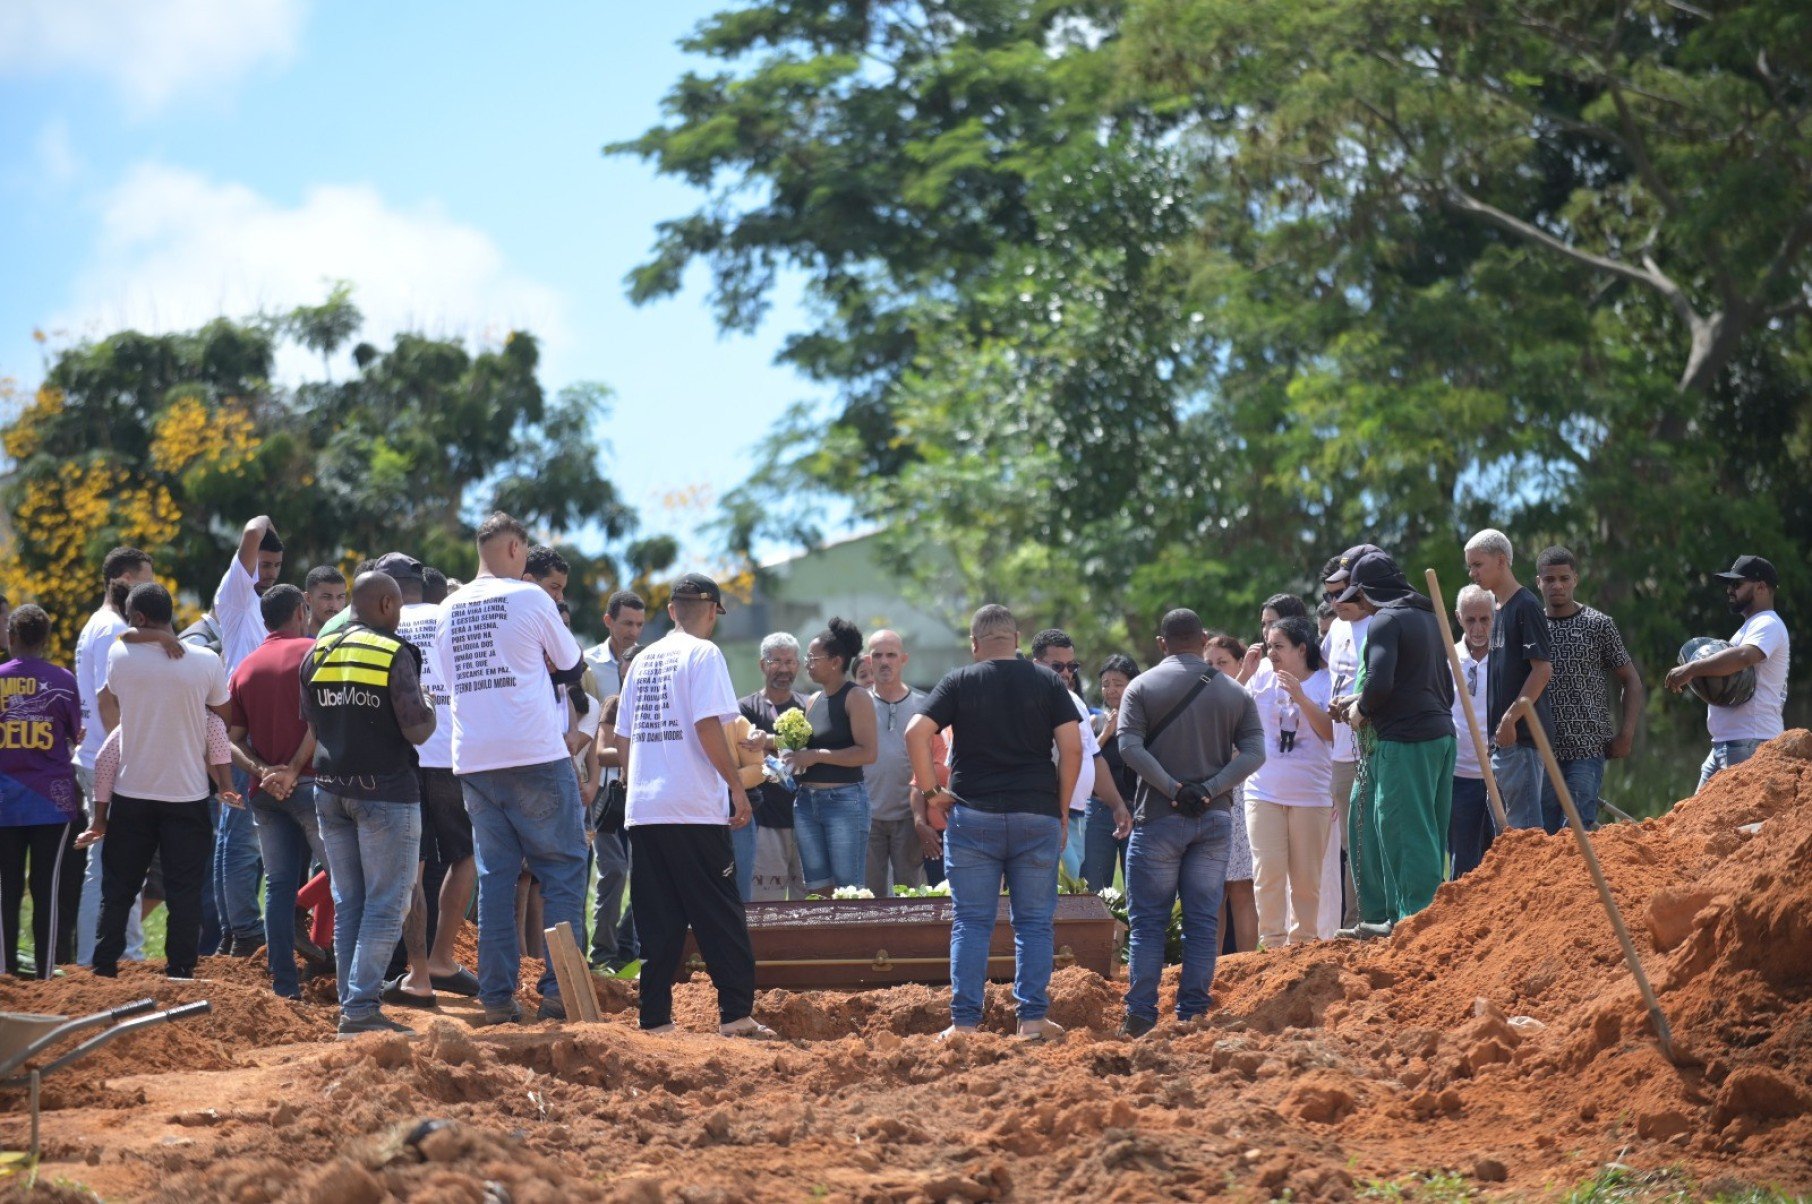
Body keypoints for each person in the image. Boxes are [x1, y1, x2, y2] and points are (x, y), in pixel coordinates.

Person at [434, 513, 589, 1025]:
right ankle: (559, 992)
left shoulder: (448, 607)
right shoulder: (530, 598)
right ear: (516, 550)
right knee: (563, 870)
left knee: (495, 879)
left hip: (475, 757)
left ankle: (497, 997)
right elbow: (571, 664)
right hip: (534, 752)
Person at [905, 604, 1081, 1042]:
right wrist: (1060, 810)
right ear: (1017, 640)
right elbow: (1072, 748)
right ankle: (1033, 1020)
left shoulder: (960, 680)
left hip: (974, 817)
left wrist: (931, 794)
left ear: (974, 644)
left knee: (971, 922)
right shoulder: (1046, 680)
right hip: (1035, 814)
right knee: (1035, 924)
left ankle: (964, 1024)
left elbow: (914, 732)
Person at [612, 573, 772, 1038]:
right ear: (712, 612)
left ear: (670, 611)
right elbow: (707, 726)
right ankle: (736, 1015)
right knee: (719, 913)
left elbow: (623, 737)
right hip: (691, 807)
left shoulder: (641, 660)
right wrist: (735, 788)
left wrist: (638, 784)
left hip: (645, 808)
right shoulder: (704, 654)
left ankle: (656, 1018)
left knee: (656, 918)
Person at [1115, 608, 1264, 1037]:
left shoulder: (1141, 686)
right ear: (1203, 639)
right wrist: (1210, 787)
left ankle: (1141, 1014)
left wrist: (1171, 787)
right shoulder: (1235, 694)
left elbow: (1128, 746)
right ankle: (1192, 1012)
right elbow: (1255, 753)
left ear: (1162, 643)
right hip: (1213, 818)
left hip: (1159, 817)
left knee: (1148, 924)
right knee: (1203, 920)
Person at [301, 571, 436, 1037]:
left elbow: (313, 721)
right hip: (384, 794)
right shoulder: (392, 652)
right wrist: (431, 707)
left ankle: (352, 1003)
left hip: (330, 789)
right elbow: (417, 728)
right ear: (384, 606)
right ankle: (360, 1009)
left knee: (350, 901)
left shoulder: (317, 651)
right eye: (397, 608)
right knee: (387, 903)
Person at [88, 583, 236, 979]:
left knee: (119, 888)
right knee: (184, 889)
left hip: (132, 792)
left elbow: (115, 686)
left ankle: (104, 967)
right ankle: (181, 969)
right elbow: (221, 712)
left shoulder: (120, 656)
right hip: (186, 794)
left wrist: (148, 638)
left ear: (137, 618)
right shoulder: (206, 660)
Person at [1331, 553, 1456, 937]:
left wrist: (1362, 709)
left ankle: (1414, 924)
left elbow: (1382, 683)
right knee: (1426, 830)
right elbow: (1441, 690)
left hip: (1405, 742)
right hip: (1440, 737)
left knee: (1405, 831)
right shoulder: (1430, 618)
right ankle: (1402, 919)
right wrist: (1360, 701)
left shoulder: (1386, 620)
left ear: (1368, 592)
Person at [226, 584, 323, 999]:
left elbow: (231, 741)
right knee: (346, 877)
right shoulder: (315, 653)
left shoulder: (245, 667)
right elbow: (321, 724)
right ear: (301, 612)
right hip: (312, 785)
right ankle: (355, 982)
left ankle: (285, 985)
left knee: (280, 887)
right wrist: (294, 770)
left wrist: (265, 771)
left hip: (265, 793)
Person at [392, 557, 478, 997]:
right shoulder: (449, 615)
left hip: (402, 754)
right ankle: (443, 957)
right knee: (463, 856)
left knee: (412, 864)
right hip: (450, 755)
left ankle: (419, 972)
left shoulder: (380, 620)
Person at [73, 546, 155, 967]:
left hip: (95, 756)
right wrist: (126, 755)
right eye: (145, 578)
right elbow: (110, 701)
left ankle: (104, 955)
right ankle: (116, 957)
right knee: (113, 867)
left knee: (104, 866)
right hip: (108, 759)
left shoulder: (97, 624)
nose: (150, 588)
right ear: (123, 579)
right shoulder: (113, 629)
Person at [212, 514, 285, 958]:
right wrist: (266, 528)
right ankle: (243, 930)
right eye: (263, 565)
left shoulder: (264, 611)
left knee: (234, 836)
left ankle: (233, 931)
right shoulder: (237, 596)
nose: (269, 574)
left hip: (253, 734)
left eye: (276, 566)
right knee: (239, 840)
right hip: (240, 735)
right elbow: (253, 529)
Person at [0, 605, 84, 976]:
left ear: (11, 637)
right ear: (46, 639)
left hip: (4, 800)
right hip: (52, 800)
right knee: (46, 888)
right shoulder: (63, 679)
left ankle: (4, 973)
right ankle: (47, 972)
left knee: (7, 888)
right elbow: (73, 734)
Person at [1242, 617, 1336, 948]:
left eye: (1278, 646)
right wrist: (1245, 674)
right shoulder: (1262, 675)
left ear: (1301, 648)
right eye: (1269, 645)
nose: (1272, 652)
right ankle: (1271, 945)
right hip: (1263, 791)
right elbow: (1232, 713)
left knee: (1306, 882)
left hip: (1311, 796)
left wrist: (1300, 696)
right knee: (1267, 875)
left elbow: (1330, 732)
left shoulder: (1325, 680)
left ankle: (1303, 946)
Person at [1535, 547, 1644, 831]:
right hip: (1540, 750)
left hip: (1587, 747)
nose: (1557, 585)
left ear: (1575, 580)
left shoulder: (1598, 625)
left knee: (1576, 831)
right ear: (1538, 582)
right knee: (1543, 834)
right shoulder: (1530, 626)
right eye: (1549, 579)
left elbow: (1631, 680)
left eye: (1564, 578)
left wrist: (1626, 734)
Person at [1666, 556, 1791, 792]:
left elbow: (1744, 657)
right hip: (1728, 744)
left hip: (1750, 742)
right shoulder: (1749, 627)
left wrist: (1691, 668)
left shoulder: (1768, 623)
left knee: (1734, 826)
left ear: (1761, 587)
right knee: (1695, 824)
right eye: (1729, 585)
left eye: (1737, 584)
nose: (1729, 590)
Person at [1465, 528, 1554, 831]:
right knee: (1507, 842)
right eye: (1470, 565)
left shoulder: (1526, 606)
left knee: (1526, 838)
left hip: (1523, 740)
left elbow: (1542, 670)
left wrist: (1510, 720)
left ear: (1501, 560)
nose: (1472, 572)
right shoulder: (1499, 611)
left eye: (1478, 564)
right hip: (1502, 745)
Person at [1031, 630, 1130, 883]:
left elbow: (1094, 758)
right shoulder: (1031, 702)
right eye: (1058, 666)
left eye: (1071, 666)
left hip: (1077, 816)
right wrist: (1059, 813)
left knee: (1080, 897)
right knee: (1070, 897)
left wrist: (1117, 805)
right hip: (1048, 816)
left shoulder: (1075, 701)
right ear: (1037, 664)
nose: (1066, 673)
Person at [786, 618, 877, 893]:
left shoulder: (856, 696)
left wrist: (816, 756)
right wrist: (769, 742)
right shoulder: (813, 699)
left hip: (844, 801)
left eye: (813, 657)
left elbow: (868, 753)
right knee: (816, 887)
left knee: (847, 891)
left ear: (836, 661)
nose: (807, 663)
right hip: (805, 802)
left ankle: (853, 939)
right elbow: (801, 747)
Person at [582, 589, 645, 969]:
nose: (633, 632)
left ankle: (627, 945)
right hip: (603, 792)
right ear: (609, 621)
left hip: (642, 793)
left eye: (639, 624)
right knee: (611, 872)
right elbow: (594, 740)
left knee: (645, 876)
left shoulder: (650, 669)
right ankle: (601, 951)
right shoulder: (589, 667)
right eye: (627, 623)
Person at [860, 630, 934, 895]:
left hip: (908, 817)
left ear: (904, 659)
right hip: (866, 817)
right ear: (868, 661)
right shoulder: (858, 703)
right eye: (877, 655)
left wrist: (923, 815)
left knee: (910, 896)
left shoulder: (923, 704)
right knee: (869, 900)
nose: (884, 661)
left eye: (891, 655)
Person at [737, 634, 810, 901]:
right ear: (762, 665)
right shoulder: (744, 708)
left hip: (807, 818)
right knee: (765, 904)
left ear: (799, 665)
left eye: (789, 661)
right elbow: (744, 751)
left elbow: (809, 747)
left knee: (810, 906)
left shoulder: (807, 706)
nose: (783, 668)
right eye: (775, 661)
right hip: (763, 819)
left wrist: (766, 743)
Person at [1202, 635, 1257, 953]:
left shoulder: (1247, 696)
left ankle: (1247, 970)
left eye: (1223, 662)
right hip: (1209, 799)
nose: (1215, 669)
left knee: (1241, 889)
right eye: (1209, 664)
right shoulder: (1200, 698)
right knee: (1213, 892)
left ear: (1240, 663)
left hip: (1239, 795)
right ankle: (1212, 972)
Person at [1083, 654, 1141, 893]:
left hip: (1137, 809)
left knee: (1137, 883)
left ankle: (1130, 931)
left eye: (1118, 683)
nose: (1111, 690)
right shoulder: (1094, 722)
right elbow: (1084, 761)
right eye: (1106, 684)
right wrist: (1106, 733)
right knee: (1095, 883)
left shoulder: (1145, 721)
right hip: (1099, 810)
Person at [1448, 585, 1495, 878]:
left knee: (1499, 858)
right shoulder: (1448, 658)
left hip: (1499, 775)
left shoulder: (1507, 658)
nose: (1478, 628)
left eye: (1485, 620)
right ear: (1458, 618)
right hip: (1458, 775)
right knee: (1462, 861)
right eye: (1470, 620)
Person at [303, 566, 348, 637]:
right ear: (308, 598)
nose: (334, 605)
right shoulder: (294, 641)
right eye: (326, 597)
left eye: (340, 597)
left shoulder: (351, 640)